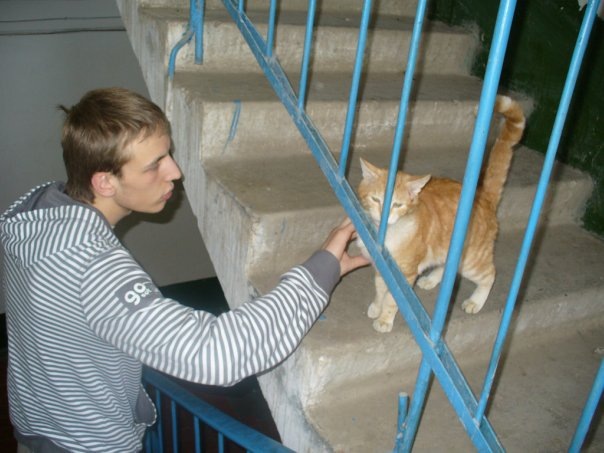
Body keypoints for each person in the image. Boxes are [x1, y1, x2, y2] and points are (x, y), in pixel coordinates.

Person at [0, 87, 369, 452]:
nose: (175, 172)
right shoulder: (92, 265)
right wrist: (321, 270)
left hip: (36, 426)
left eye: (169, 154)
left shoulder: (36, 216)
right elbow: (217, 356)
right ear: (105, 182)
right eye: (155, 165)